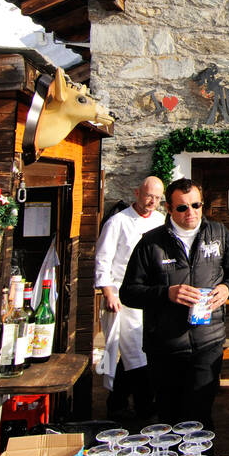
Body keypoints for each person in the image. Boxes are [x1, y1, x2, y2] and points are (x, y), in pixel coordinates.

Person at [120, 178, 229, 429]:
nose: (191, 212)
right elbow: (129, 293)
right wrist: (167, 293)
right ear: (169, 208)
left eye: (196, 205)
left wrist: (226, 288)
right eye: (182, 207)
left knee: (200, 415)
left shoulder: (219, 234)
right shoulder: (151, 243)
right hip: (165, 346)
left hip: (208, 341)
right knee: (169, 416)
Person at [93, 176, 165, 418]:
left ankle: (118, 401)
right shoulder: (117, 222)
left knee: (143, 350)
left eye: (157, 198)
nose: (152, 201)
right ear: (137, 192)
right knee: (134, 350)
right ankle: (145, 405)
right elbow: (103, 258)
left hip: (151, 295)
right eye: (148, 196)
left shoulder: (160, 221)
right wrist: (108, 292)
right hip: (124, 296)